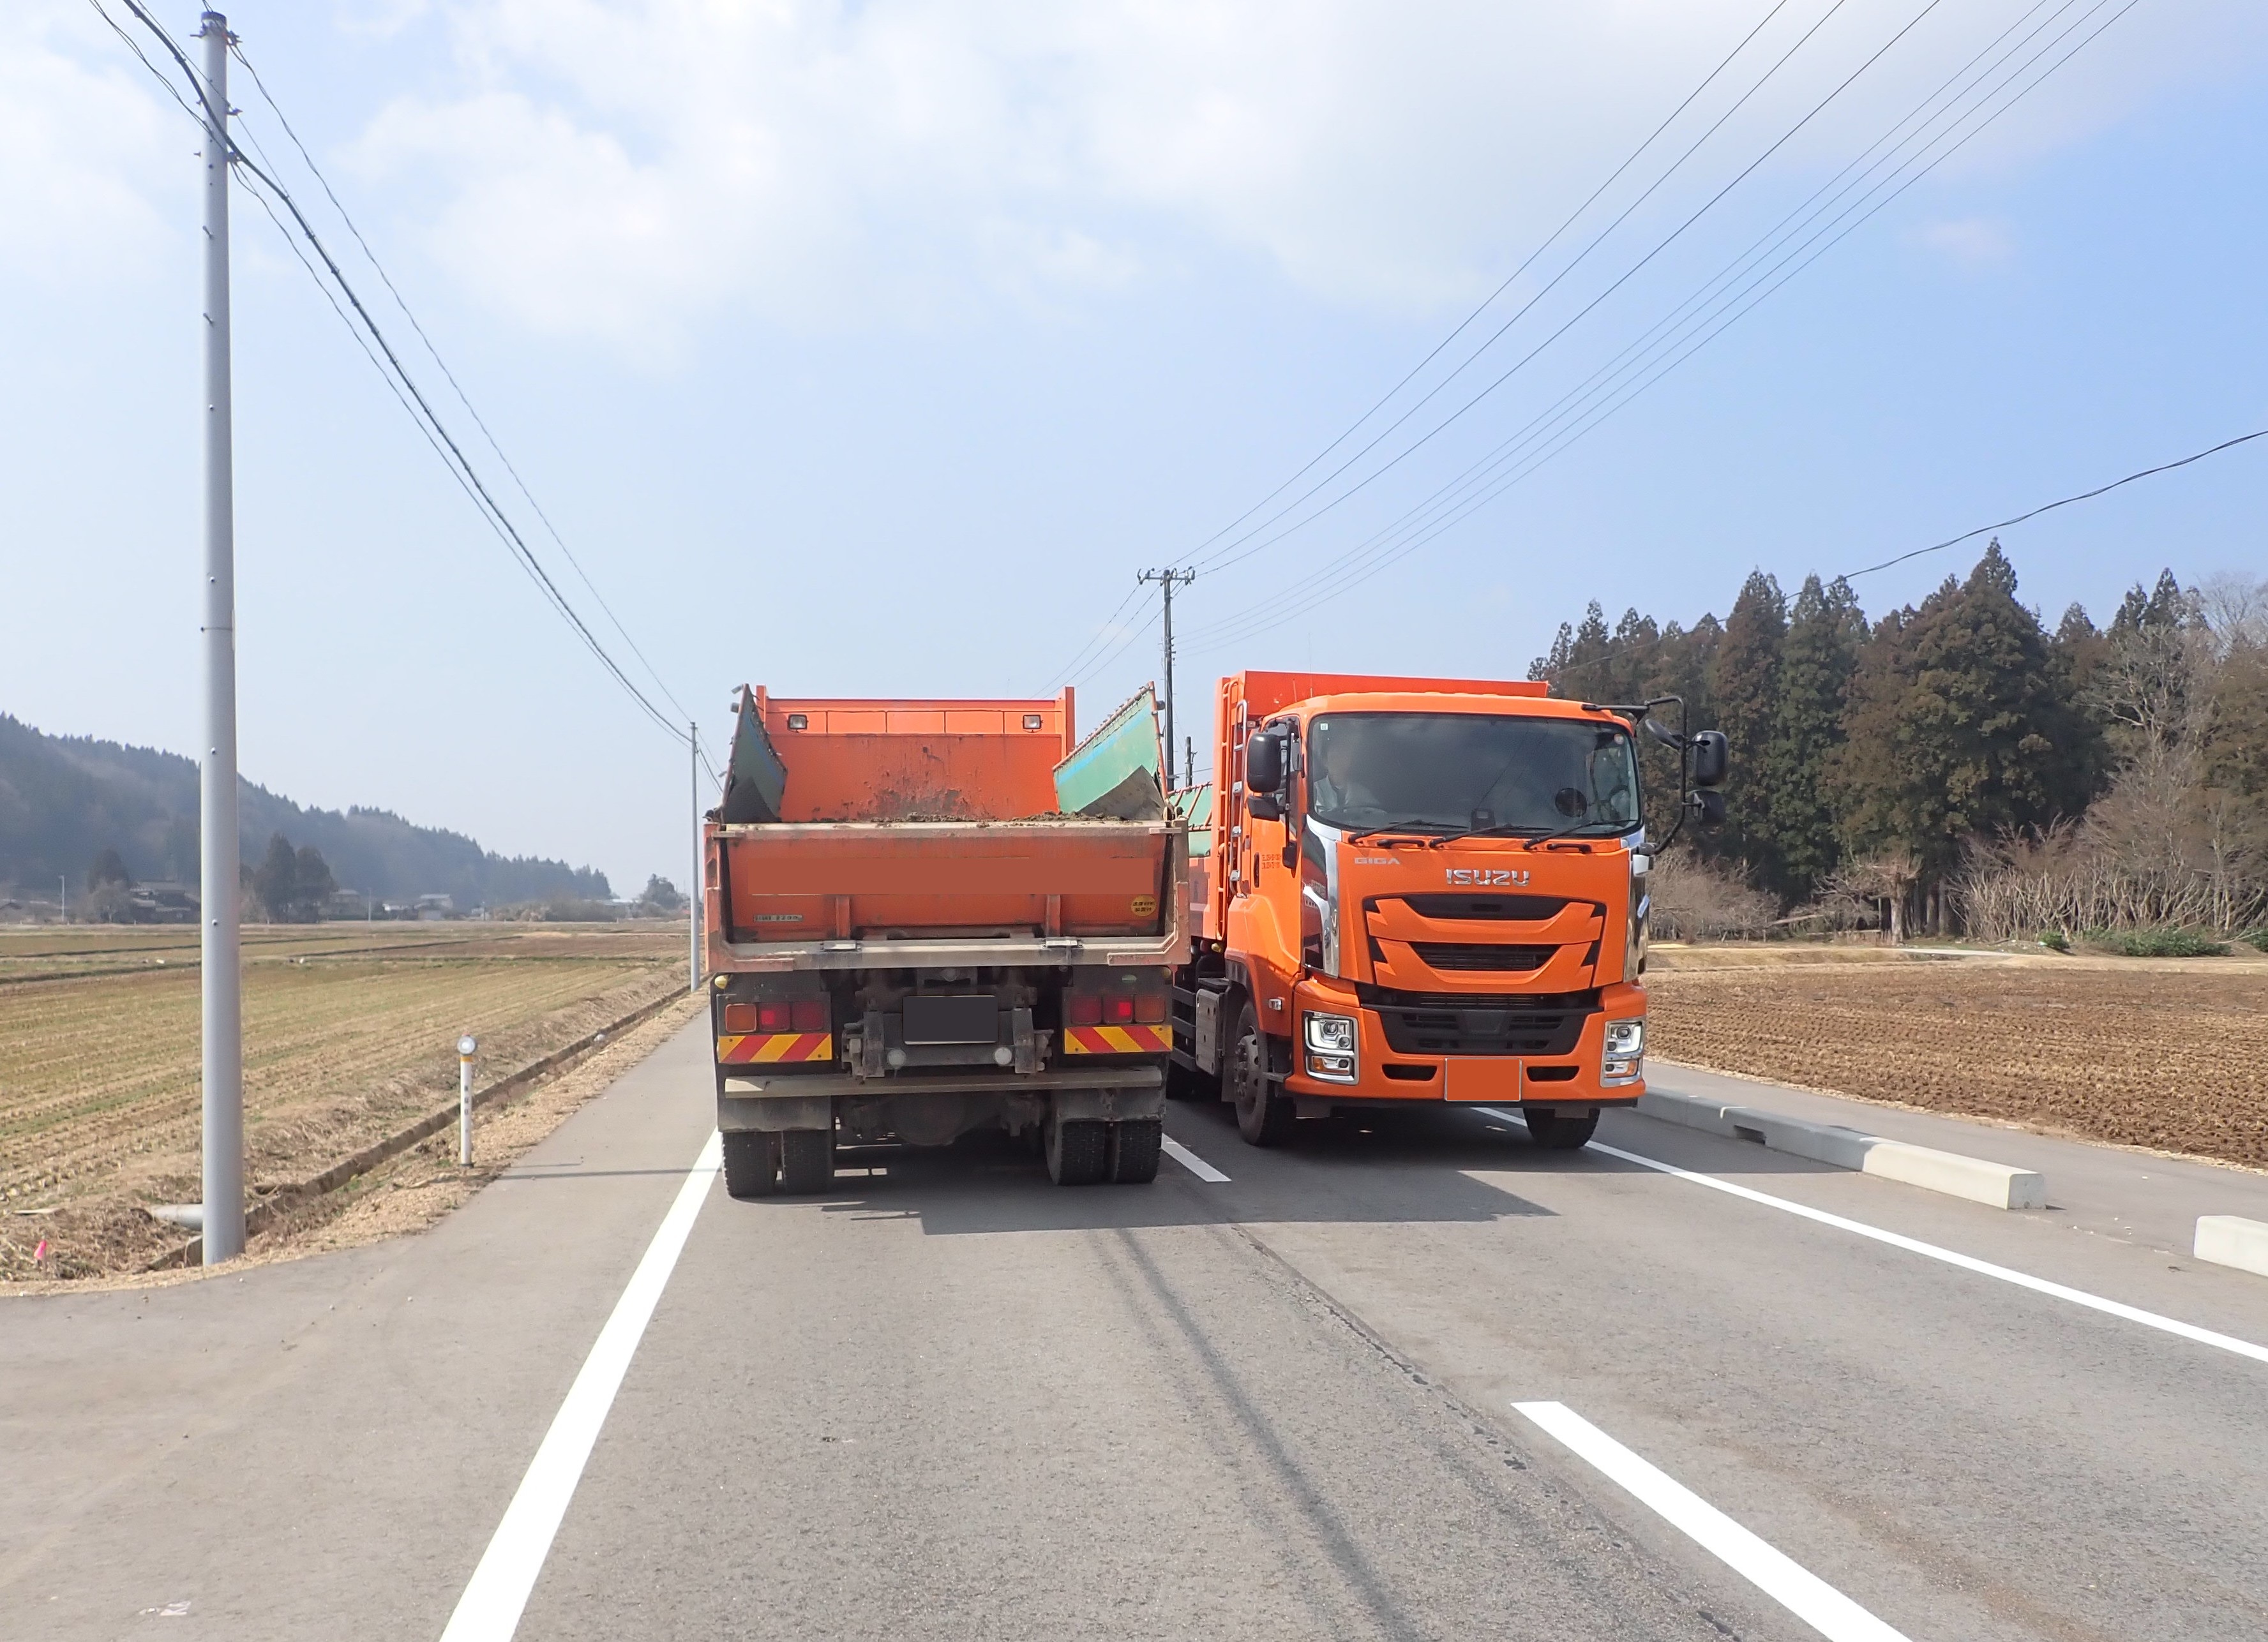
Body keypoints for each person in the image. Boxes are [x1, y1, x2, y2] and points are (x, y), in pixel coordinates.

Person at [1309, 731, 1378, 815]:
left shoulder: (1360, 791)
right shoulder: (1316, 790)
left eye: (1343, 758)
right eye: (1334, 757)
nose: (1338, 762)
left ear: (1350, 762)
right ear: (1325, 762)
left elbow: (1379, 814)